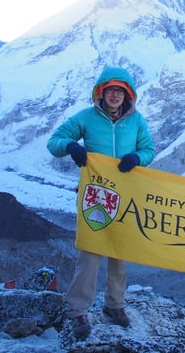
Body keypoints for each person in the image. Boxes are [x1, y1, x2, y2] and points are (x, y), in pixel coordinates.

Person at [47, 66, 155, 340]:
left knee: (120, 253)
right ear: (101, 92)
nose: (115, 95)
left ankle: (114, 305)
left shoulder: (137, 121)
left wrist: (138, 159)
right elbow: (55, 141)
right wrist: (71, 147)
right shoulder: (86, 117)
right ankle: (78, 311)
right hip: (95, 195)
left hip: (126, 195)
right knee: (91, 254)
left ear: (128, 94)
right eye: (110, 90)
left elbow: (148, 149)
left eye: (120, 90)